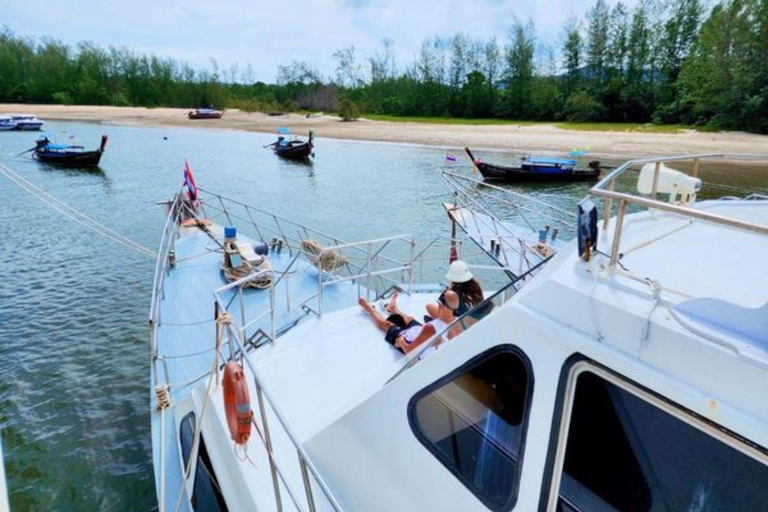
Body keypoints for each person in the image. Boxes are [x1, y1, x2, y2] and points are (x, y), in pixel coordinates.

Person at [358, 290, 461, 355]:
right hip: (421, 334)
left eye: (438, 304)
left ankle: (369, 308)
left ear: (443, 306)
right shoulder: (456, 322)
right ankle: (393, 309)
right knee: (409, 319)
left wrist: (401, 341)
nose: (437, 306)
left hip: (409, 340)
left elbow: (410, 352)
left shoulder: (430, 328)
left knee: (387, 325)